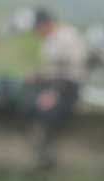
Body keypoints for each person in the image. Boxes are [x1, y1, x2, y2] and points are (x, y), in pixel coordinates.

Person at [30, 8, 89, 167]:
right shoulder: (48, 41)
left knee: (49, 109)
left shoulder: (68, 37)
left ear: (46, 24)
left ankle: (46, 152)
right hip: (52, 85)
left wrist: (54, 92)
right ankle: (40, 145)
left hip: (68, 87)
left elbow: (73, 71)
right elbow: (51, 69)